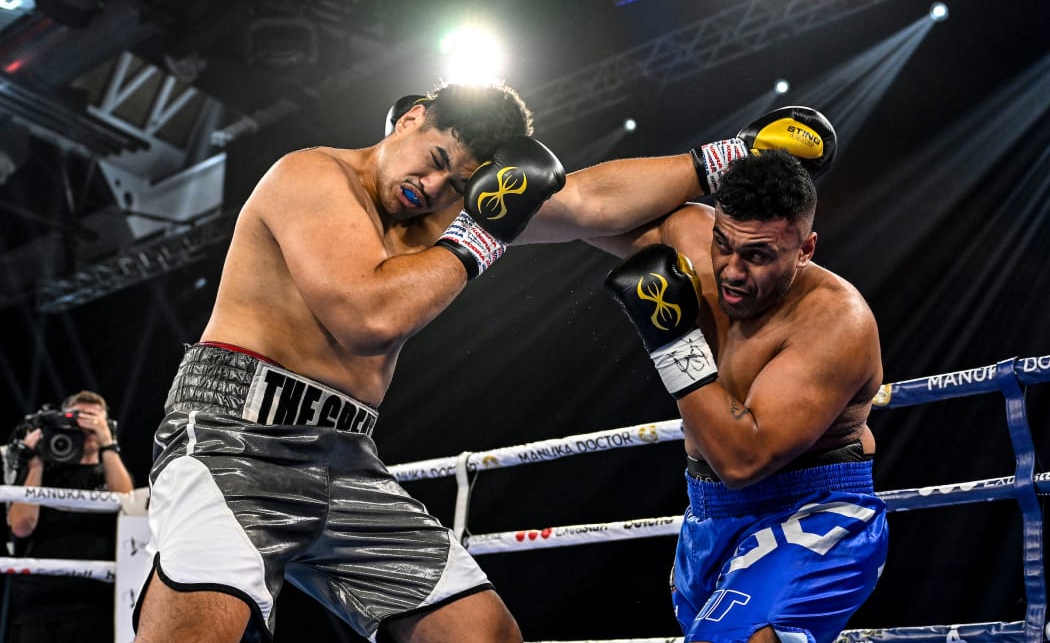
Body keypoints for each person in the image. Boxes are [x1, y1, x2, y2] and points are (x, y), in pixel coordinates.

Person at [132, 79, 831, 643]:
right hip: (233, 435)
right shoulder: (311, 176)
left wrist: (732, 155)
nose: (434, 191)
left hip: (344, 456)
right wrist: (482, 233)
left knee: (483, 634)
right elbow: (367, 317)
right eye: (436, 161)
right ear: (410, 118)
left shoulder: (449, 216)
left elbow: (591, 199)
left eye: (459, 186)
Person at [602, 149, 889, 643]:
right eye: (723, 245)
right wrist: (719, 155)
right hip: (708, 514)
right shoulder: (695, 244)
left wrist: (673, 343)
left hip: (811, 511)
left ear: (806, 248)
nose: (732, 271)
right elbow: (581, 206)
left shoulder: (835, 321)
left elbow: (741, 462)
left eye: (757, 255)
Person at [5, 390, 134, 643]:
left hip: (97, 605)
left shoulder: (109, 473)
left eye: (93, 419)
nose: (85, 425)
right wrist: (37, 463)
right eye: (77, 418)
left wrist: (108, 444)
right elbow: (20, 526)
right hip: (38, 605)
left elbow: (129, 506)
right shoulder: (41, 472)